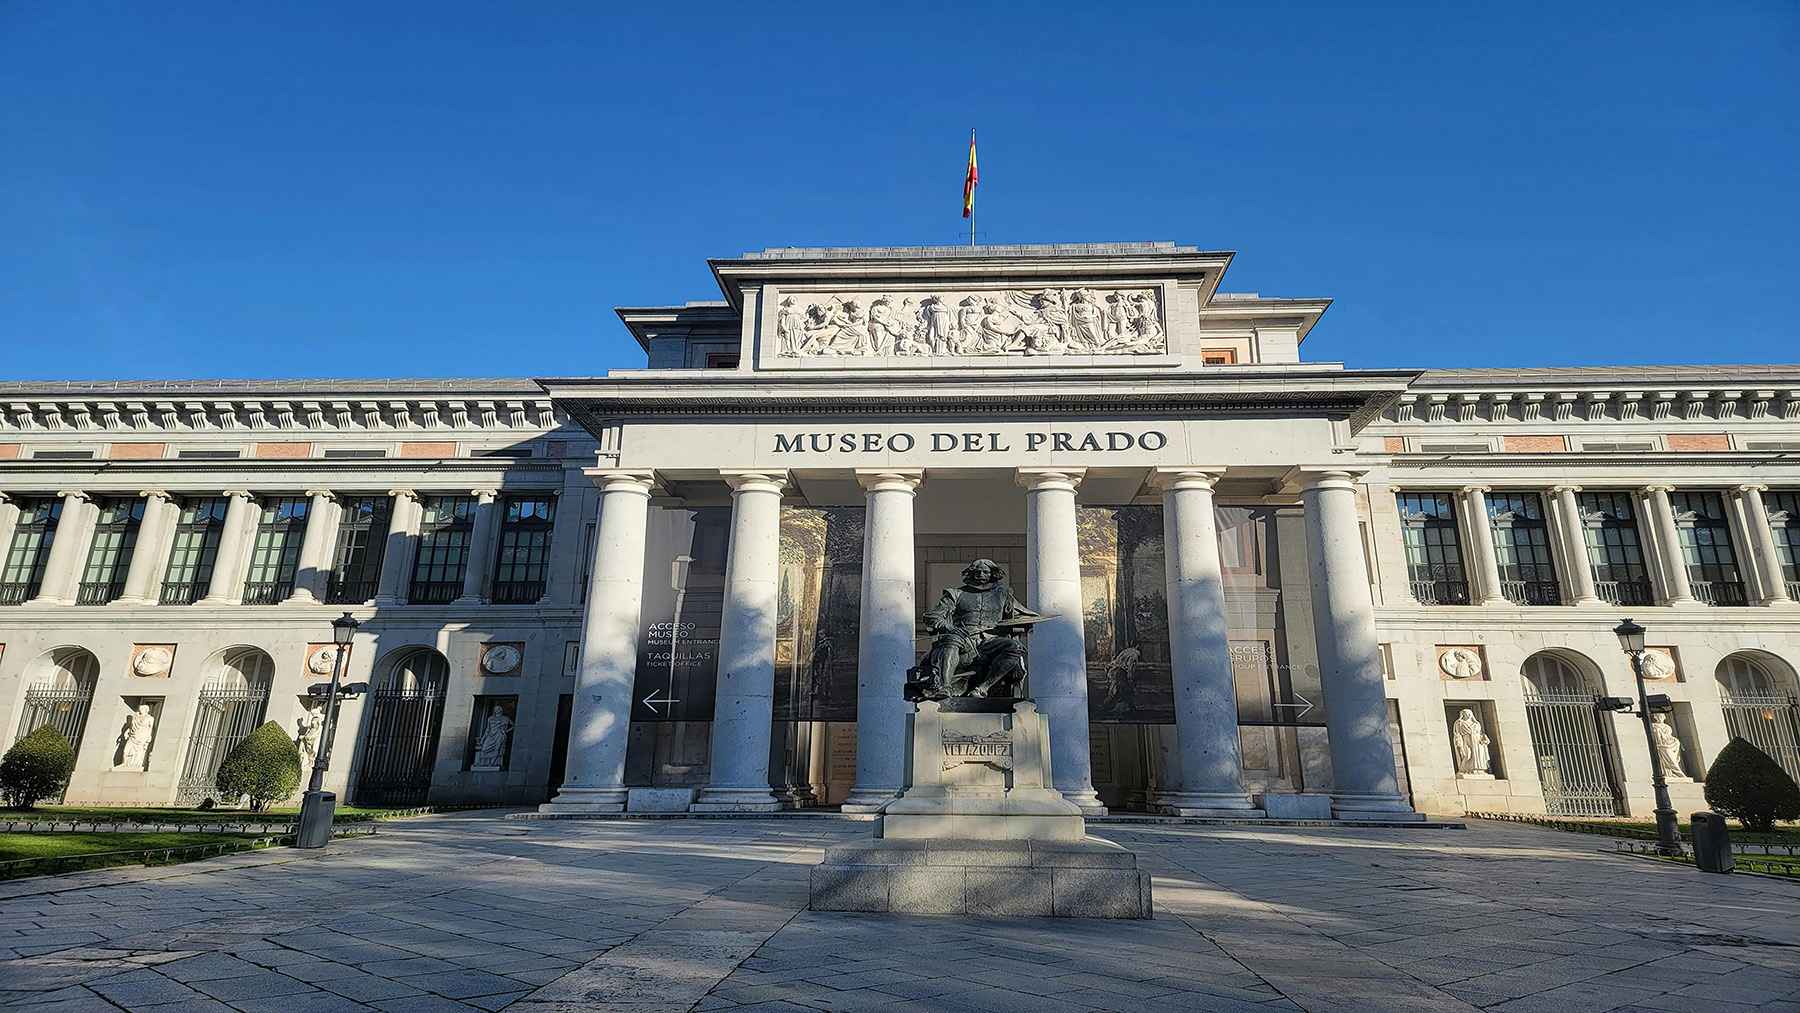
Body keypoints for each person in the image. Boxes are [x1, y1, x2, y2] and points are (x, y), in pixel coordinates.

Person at [905, 559, 1041, 700]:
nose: (981, 575)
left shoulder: (1003, 594)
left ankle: (983, 688)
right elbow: (933, 616)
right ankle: (945, 687)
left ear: (993, 574)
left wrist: (1023, 623)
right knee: (951, 639)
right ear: (971, 574)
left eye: (985, 572)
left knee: (1014, 646)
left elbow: (1019, 615)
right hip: (963, 639)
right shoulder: (955, 593)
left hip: (991, 642)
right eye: (977, 572)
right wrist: (950, 627)